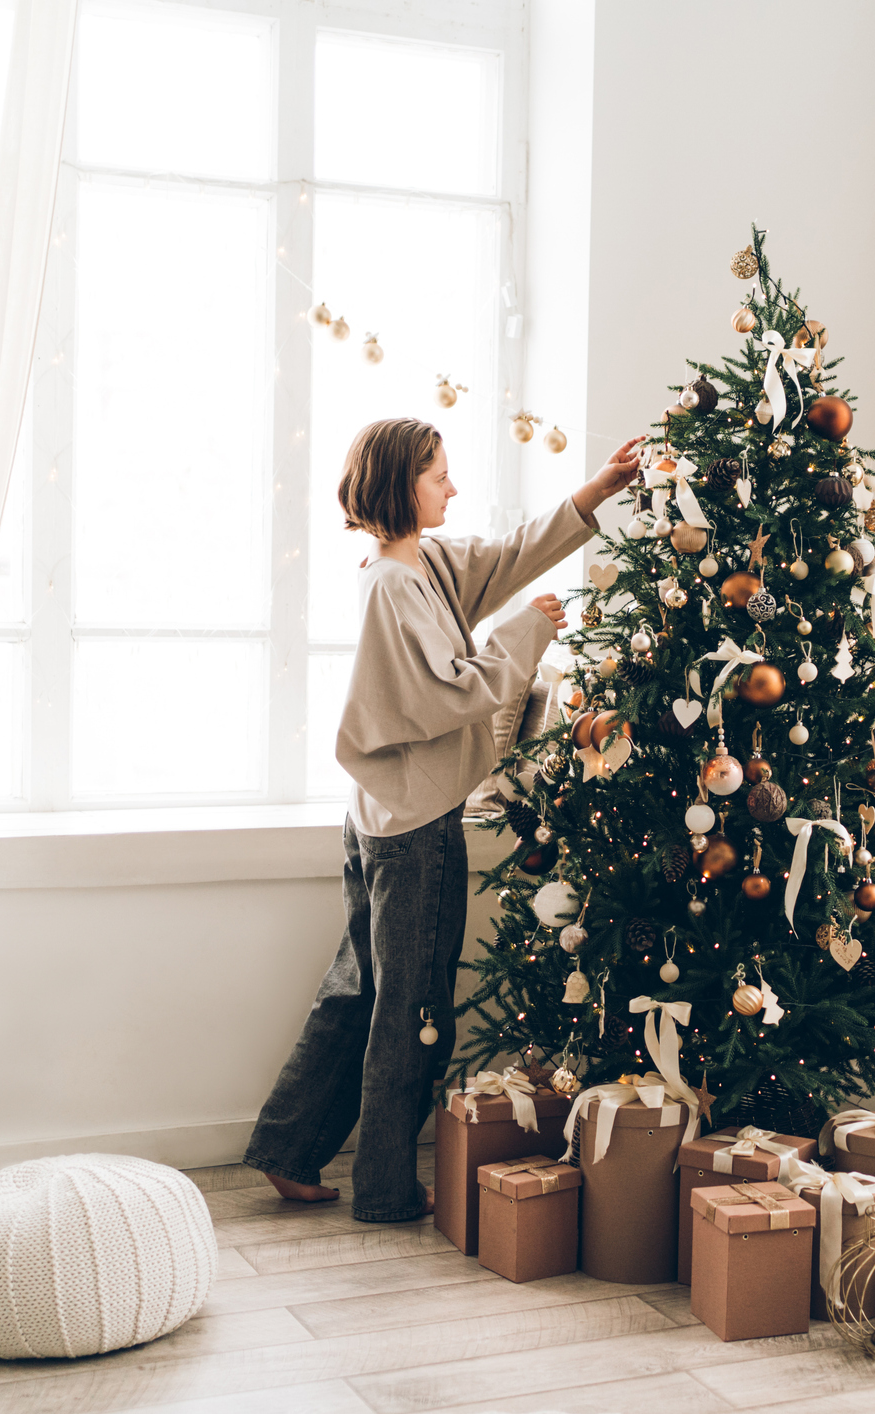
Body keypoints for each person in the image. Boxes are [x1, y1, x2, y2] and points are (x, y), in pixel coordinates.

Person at [245, 417, 642, 1222]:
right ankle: (386, 1187)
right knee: (412, 1007)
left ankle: (287, 1149)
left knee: (358, 989)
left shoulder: (417, 565)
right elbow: (450, 692)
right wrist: (531, 628)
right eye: (437, 476)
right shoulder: (393, 586)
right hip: (413, 830)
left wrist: (593, 493)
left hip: (379, 819)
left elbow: (502, 558)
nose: (451, 488)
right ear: (401, 484)